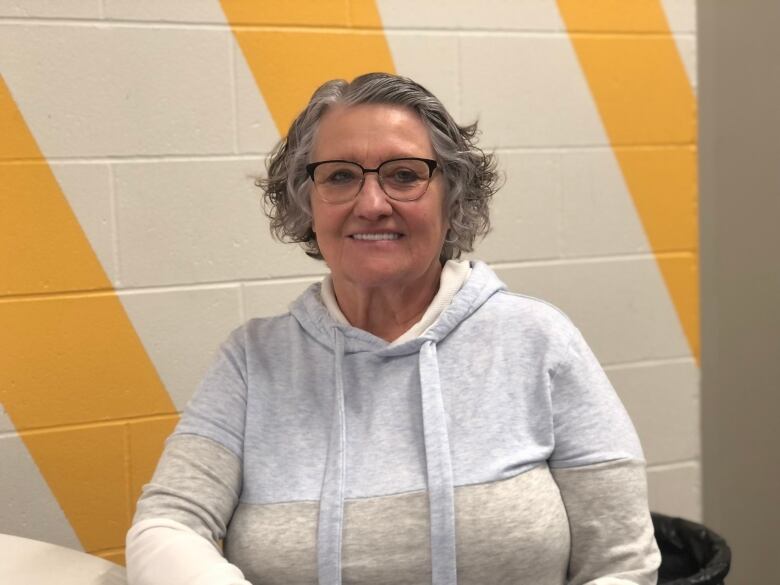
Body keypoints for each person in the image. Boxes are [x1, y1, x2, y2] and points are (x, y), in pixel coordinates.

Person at [126, 72, 660, 585]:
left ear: (452, 199)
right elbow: (167, 525)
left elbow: (622, 562)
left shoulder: (537, 340)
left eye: (404, 175)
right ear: (306, 204)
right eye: (340, 176)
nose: (373, 204)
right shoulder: (254, 360)